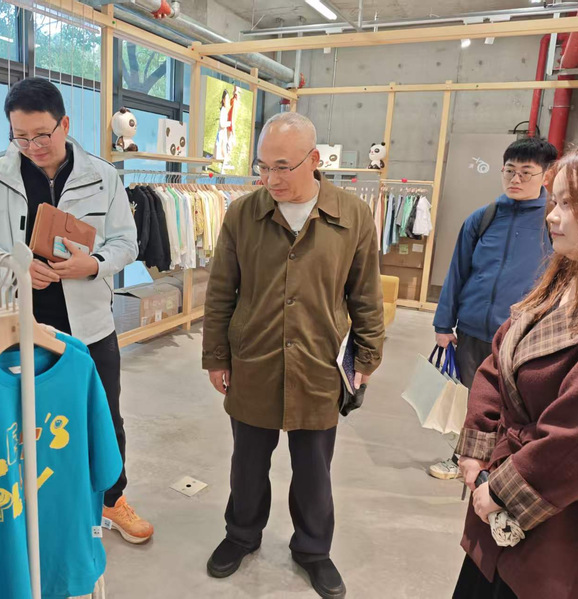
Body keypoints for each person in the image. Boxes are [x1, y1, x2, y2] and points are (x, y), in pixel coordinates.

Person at [0, 77, 154, 544]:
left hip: (90, 325)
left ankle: (112, 499)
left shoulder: (102, 176)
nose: (32, 147)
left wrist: (94, 264)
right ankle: (39, 508)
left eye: (42, 135)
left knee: (103, 416)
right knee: (26, 423)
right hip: (20, 324)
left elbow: (127, 242)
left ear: (64, 124)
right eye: (20, 137)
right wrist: (13, 266)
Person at [202, 112, 385, 599]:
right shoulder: (243, 214)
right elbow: (221, 291)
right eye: (263, 167)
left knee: (313, 469)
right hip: (254, 359)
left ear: (314, 159)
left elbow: (365, 294)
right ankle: (241, 534)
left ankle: (313, 550)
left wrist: (367, 357)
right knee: (247, 463)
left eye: (282, 166)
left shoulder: (352, 215)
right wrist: (217, 356)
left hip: (320, 363)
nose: (270, 179)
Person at [453, 136, 578, 599]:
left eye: (569, 204)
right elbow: (498, 361)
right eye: (554, 201)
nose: (552, 216)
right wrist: (477, 447)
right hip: (497, 496)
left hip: (560, 525)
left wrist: (502, 490)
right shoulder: (565, 278)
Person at [428, 137, 557, 480]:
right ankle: (460, 457)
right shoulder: (482, 218)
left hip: (523, 336)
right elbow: (457, 272)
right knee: (471, 400)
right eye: (509, 171)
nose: (515, 179)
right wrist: (443, 325)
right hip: (472, 330)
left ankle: (502, 467)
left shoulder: (553, 222)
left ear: (546, 175)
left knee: (515, 406)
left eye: (526, 172)